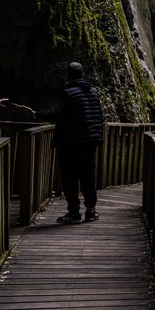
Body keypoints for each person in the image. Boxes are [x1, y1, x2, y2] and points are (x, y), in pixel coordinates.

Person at [31, 62, 104, 224]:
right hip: (90, 141)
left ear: (68, 76)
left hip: (71, 143)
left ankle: (74, 213)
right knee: (88, 176)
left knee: (69, 177)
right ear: (82, 74)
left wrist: (36, 114)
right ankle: (91, 210)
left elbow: (58, 114)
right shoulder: (93, 91)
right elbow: (99, 115)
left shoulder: (67, 93)